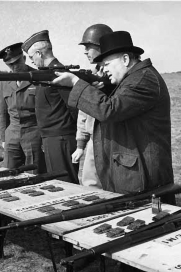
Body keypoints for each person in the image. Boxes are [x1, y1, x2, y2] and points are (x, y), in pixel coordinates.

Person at [52, 30, 174, 272]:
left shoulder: (142, 80)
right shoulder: (132, 78)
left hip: (145, 180)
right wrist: (93, 86)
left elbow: (110, 109)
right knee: (132, 244)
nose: (104, 70)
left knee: (144, 244)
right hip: (132, 176)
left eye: (107, 64)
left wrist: (77, 84)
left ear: (127, 59)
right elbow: (108, 103)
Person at [22, 30, 79, 183]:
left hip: (61, 138)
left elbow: (74, 107)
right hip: (52, 137)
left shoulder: (58, 73)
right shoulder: (46, 73)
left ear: (39, 53)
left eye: (31, 56)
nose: (31, 61)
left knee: (66, 183)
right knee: (58, 182)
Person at [72, 24, 113, 188]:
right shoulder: (92, 76)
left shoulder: (116, 77)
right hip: (92, 142)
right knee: (90, 185)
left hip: (113, 140)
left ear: (102, 48)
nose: (85, 51)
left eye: (89, 47)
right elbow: (83, 114)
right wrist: (80, 144)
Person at [0, 42, 46, 173]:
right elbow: (3, 113)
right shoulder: (4, 81)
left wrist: (45, 137)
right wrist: (3, 138)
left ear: (24, 59)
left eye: (16, 62)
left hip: (34, 134)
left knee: (35, 174)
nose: (14, 67)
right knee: (9, 173)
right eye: (10, 64)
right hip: (12, 135)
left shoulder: (38, 77)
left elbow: (46, 111)